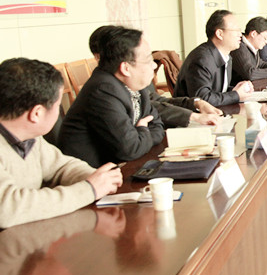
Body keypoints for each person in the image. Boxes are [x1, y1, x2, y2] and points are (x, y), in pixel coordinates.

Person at [0, 58, 122, 228]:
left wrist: (98, 178)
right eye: (58, 105)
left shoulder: (30, 137)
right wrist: (89, 189)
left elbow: (61, 167)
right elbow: (8, 209)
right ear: (36, 114)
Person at [59, 28, 165, 168]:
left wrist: (141, 135)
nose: (154, 65)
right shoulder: (103, 91)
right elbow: (131, 149)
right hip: (90, 174)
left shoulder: (134, 85)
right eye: (147, 60)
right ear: (126, 68)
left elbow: (157, 125)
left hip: (119, 166)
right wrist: (143, 130)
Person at [88, 26, 222, 128]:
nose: (152, 65)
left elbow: (156, 101)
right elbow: (152, 109)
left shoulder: (133, 78)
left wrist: (196, 103)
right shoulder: (106, 89)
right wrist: (194, 117)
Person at [174, 10, 255, 107]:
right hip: (193, 114)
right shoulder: (202, 59)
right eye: (236, 30)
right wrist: (236, 95)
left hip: (215, 112)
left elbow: (218, 91)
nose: (240, 34)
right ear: (219, 34)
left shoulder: (227, 56)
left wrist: (237, 90)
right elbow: (203, 100)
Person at [230, 16, 267, 83]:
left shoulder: (252, 46)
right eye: (265, 38)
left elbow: (260, 64)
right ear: (253, 34)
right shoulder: (239, 47)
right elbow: (250, 73)